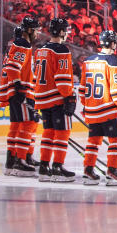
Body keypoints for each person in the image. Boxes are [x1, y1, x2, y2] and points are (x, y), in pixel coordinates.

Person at [80, 30, 117, 186]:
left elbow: (82, 89)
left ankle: (88, 171)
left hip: (92, 110)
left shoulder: (88, 60)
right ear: (113, 44)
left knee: (93, 141)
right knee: (115, 141)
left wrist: (88, 105)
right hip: (109, 110)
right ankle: (112, 171)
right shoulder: (113, 61)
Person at [33, 17, 77, 182]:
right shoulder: (61, 50)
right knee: (62, 133)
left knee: (48, 132)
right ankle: (57, 167)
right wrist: (69, 96)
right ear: (60, 31)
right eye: (65, 30)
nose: (67, 33)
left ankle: (44, 168)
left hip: (42, 98)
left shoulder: (41, 49)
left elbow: (37, 74)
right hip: (56, 98)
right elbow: (63, 77)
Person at [0, 17, 39, 178]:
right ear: (29, 30)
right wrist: (18, 85)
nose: (37, 33)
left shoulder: (17, 44)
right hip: (21, 91)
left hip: (14, 91)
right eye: (35, 29)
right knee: (28, 123)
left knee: (16, 125)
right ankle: (20, 161)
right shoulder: (23, 44)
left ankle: (12, 160)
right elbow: (13, 66)